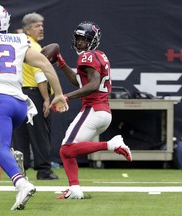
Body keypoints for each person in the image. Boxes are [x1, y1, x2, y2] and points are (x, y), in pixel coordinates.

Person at [0, 4, 68, 210]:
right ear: (8, 21)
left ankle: (21, 183)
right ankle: (12, 157)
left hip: (1, 101)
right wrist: (59, 94)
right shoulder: (19, 39)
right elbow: (46, 64)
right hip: (21, 105)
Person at [54, 21, 132, 199]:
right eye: (79, 38)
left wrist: (65, 97)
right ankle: (75, 189)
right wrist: (61, 63)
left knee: (66, 149)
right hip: (102, 112)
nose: (81, 42)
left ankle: (112, 144)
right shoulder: (99, 55)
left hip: (93, 109)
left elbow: (93, 85)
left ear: (93, 41)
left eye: (85, 39)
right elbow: (80, 81)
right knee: (68, 150)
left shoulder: (87, 56)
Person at [12, 12, 58, 180]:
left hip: (17, 94)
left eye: (42, 25)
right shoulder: (36, 48)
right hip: (34, 95)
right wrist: (46, 99)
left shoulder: (18, 44)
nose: (41, 28)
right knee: (40, 133)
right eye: (37, 26)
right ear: (28, 29)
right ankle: (44, 171)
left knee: (20, 134)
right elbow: (40, 77)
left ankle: (19, 171)